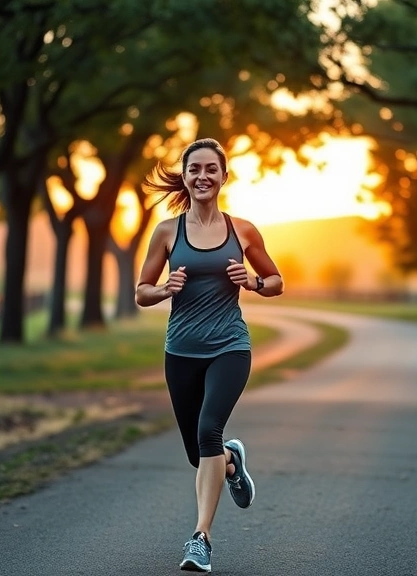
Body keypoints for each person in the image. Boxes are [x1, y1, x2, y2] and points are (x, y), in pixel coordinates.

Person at [135, 138, 283, 572]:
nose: (202, 176)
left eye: (210, 169)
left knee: (207, 432)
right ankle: (232, 463)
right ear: (185, 176)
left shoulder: (243, 231)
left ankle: (200, 538)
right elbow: (141, 291)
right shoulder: (167, 231)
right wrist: (164, 289)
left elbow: (276, 281)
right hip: (180, 351)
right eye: (194, 169)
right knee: (200, 454)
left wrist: (252, 282)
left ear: (223, 176)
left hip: (229, 347)